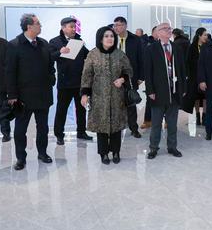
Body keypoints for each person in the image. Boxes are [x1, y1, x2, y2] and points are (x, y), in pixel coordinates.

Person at [6, 13, 55, 171]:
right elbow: (9, 72)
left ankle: (42, 153)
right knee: (20, 130)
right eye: (38, 23)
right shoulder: (14, 45)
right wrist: (12, 95)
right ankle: (21, 158)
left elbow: (50, 65)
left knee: (43, 128)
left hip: (43, 94)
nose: (40, 26)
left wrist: (51, 78)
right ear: (29, 26)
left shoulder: (44, 43)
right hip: (23, 97)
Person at [81, 26, 132, 164]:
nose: (110, 38)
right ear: (100, 38)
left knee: (116, 125)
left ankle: (116, 151)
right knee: (101, 126)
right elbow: (87, 75)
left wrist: (122, 79)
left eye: (112, 36)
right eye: (106, 36)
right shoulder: (93, 54)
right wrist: (84, 94)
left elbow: (129, 71)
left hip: (117, 96)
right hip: (99, 96)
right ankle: (103, 153)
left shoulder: (120, 54)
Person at [144, 22, 186, 159]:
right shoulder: (151, 49)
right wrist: (150, 90)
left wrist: (183, 87)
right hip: (158, 92)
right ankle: (153, 148)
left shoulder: (176, 48)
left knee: (172, 123)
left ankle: (172, 147)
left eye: (169, 28)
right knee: (156, 124)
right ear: (158, 32)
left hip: (174, 91)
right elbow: (148, 72)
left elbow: (182, 69)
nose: (169, 30)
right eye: (165, 29)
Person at [49, 17, 91, 145]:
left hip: (79, 82)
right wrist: (59, 52)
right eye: (71, 27)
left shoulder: (78, 40)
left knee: (81, 109)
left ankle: (81, 132)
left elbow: (88, 55)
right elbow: (49, 57)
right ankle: (59, 135)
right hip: (65, 83)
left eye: (74, 27)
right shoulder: (55, 41)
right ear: (63, 28)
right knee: (61, 110)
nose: (73, 29)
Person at [113, 16, 143, 138]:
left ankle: (134, 128)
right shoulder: (111, 38)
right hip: (115, 77)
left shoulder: (135, 39)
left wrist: (141, 77)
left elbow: (141, 58)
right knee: (115, 103)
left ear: (125, 26)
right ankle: (116, 128)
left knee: (131, 102)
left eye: (119, 25)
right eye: (115, 25)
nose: (116, 27)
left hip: (130, 76)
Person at [182, 28, 208, 125]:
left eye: (206, 35)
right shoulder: (192, 47)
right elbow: (187, 62)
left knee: (205, 96)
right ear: (199, 36)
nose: (206, 37)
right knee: (196, 96)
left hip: (206, 76)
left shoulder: (208, 46)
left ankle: (204, 115)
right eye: (204, 35)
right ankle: (197, 115)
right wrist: (188, 75)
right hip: (194, 76)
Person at [141, 26, 159, 129]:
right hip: (150, 75)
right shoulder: (146, 43)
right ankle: (147, 121)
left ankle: (164, 121)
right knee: (150, 98)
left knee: (163, 99)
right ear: (153, 32)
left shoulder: (163, 44)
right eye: (158, 31)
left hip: (161, 76)